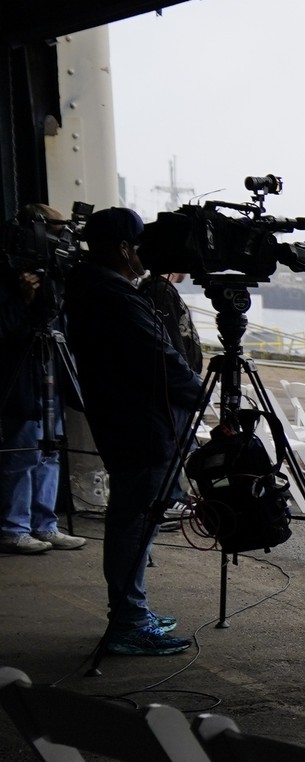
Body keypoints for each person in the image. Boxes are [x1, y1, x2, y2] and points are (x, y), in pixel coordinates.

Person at [66, 207, 199, 655]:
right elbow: (160, 359)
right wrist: (201, 394)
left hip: (125, 423)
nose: (146, 254)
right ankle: (128, 621)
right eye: (139, 245)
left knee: (133, 520)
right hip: (140, 427)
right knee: (132, 523)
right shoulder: (114, 296)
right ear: (123, 248)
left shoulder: (93, 289)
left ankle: (132, 611)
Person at [1, 205, 87, 556]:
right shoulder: (8, 279)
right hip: (21, 379)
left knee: (49, 453)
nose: (62, 237)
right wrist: (23, 298)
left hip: (49, 375)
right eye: (55, 228)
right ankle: (12, 528)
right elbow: (4, 329)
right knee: (22, 453)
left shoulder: (56, 276)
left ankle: (44, 524)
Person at [139, 270, 201, 516]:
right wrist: (188, 384)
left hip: (175, 387)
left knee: (179, 443)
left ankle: (172, 496)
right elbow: (171, 344)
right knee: (172, 443)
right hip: (172, 389)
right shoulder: (159, 291)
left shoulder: (161, 290)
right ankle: (168, 498)